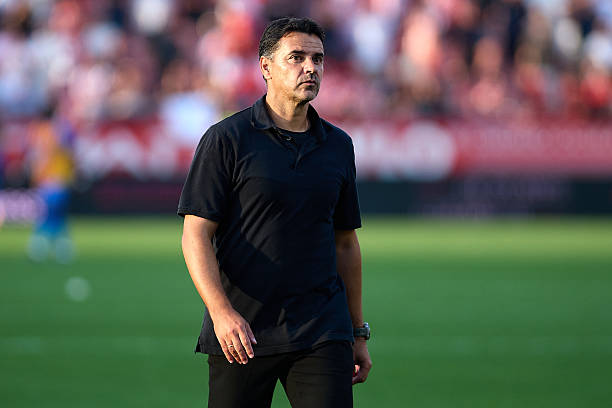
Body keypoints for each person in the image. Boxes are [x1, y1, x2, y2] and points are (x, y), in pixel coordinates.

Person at [178, 17, 371, 407]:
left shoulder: (338, 145)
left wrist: (356, 331)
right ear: (265, 67)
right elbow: (195, 235)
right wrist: (221, 313)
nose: (310, 68)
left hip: (322, 330)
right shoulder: (226, 139)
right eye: (296, 57)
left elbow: (346, 243)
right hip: (242, 331)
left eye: (318, 59)